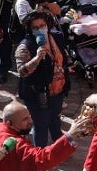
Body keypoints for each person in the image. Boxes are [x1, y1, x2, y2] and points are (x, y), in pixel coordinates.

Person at [14, 10, 72, 146]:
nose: (40, 29)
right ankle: (40, 156)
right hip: (37, 94)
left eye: (42, 25)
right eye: (35, 27)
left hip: (57, 91)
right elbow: (22, 72)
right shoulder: (25, 46)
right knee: (41, 127)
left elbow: (63, 56)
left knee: (55, 121)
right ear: (30, 29)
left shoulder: (56, 37)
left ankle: (59, 148)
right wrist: (37, 58)